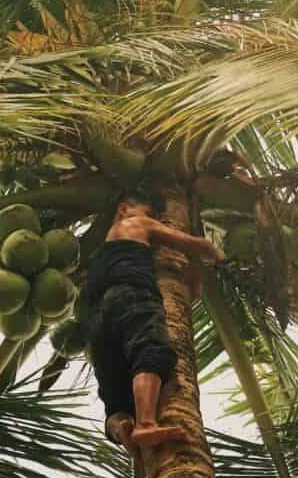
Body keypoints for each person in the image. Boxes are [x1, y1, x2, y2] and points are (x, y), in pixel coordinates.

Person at [83, 192, 225, 462]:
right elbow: (193, 244)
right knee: (151, 351)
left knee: (115, 401)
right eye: (148, 213)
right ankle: (146, 424)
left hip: (97, 320)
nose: (151, 220)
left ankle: (122, 428)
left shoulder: (104, 251)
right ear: (124, 208)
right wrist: (215, 253)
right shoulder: (133, 223)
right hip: (132, 294)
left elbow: (191, 291)